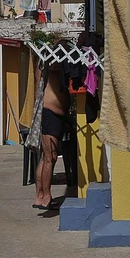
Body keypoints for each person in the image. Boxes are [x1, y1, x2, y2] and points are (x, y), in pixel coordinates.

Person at [34, 57, 78, 210]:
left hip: (55, 115)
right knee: (50, 157)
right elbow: (52, 67)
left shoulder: (51, 63)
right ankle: (46, 197)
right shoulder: (48, 63)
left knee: (45, 157)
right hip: (50, 114)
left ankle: (40, 197)